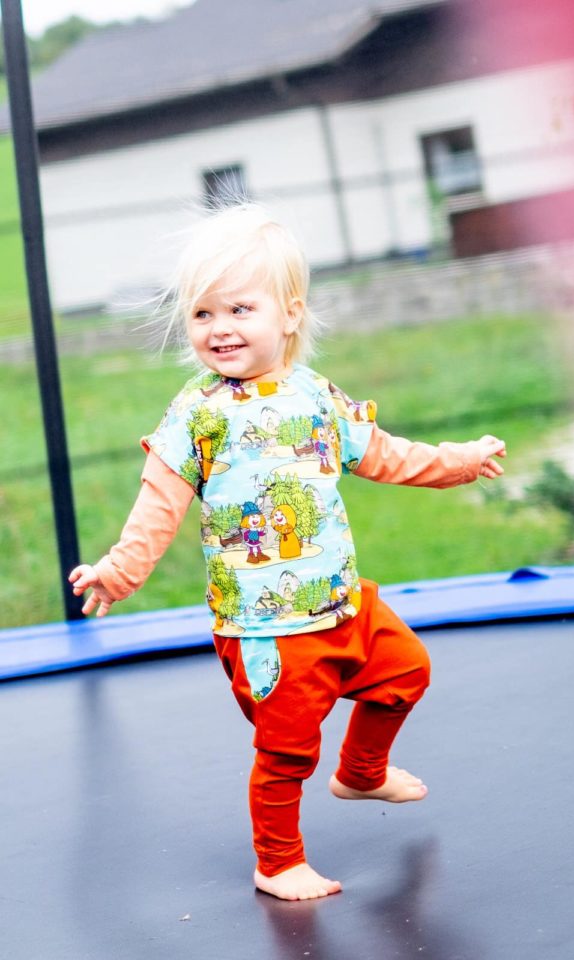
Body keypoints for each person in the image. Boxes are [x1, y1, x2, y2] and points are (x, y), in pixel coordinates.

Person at [69, 203, 506, 902]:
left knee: (406, 673)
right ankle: (277, 863)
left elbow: (385, 454)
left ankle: (361, 772)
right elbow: (158, 505)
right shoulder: (197, 414)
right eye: (203, 314)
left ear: (291, 314)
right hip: (269, 628)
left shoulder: (315, 395)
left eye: (239, 309)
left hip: (343, 604)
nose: (220, 328)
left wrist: (458, 461)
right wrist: (118, 572)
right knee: (287, 754)